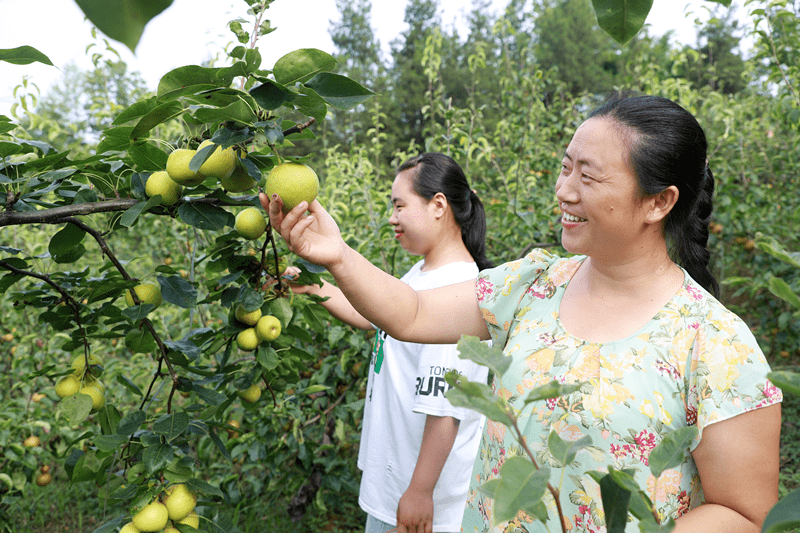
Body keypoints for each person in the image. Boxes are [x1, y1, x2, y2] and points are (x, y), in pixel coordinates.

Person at [262, 95, 783, 533]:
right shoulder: (534, 284)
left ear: (657, 202)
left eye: (589, 176)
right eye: (564, 166)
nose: (564, 190)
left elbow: (743, 512)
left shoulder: (714, 342)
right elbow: (414, 313)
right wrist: (336, 255)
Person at [281, 153, 491, 533]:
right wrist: (313, 285)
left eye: (399, 206)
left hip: (422, 503)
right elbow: (376, 316)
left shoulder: (458, 291)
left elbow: (445, 410)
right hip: (396, 483)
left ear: (438, 205)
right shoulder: (425, 271)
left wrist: (419, 492)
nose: (391, 218)